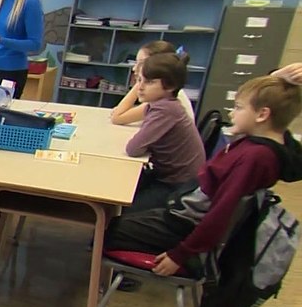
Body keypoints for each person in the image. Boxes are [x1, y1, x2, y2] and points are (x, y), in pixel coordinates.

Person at [105, 74, 301, 277]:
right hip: (185, 213)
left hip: (185, 226)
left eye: (239, 107)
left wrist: (181, 254)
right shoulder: (271, 146)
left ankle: (116, 279)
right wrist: (276, 78)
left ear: (262, 115)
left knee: (105, 228)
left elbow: (222, 211)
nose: (232, 113)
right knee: (115, 217)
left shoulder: (255, 157)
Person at [122, 53, 206, 211]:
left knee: (123, 207)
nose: (139, 87)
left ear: (171, 86)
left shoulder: (165, 109)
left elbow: (133, 149)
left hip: (177, 185)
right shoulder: (161, 104)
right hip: (172, 176)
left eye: (149, 82)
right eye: (139, 80)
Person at [110, 41, 195, 125]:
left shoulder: (166, 97)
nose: (134, 68)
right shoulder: (165, 91)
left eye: (142, 63)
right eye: (136, 62)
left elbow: (117, 118)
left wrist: (141, 80)